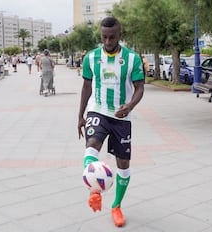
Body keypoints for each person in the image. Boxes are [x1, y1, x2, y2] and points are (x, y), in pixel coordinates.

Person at [77, 16, 145, 228]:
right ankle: (95, 191)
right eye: (104, 37)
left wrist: (130, 106)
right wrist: (80, 115)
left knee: (123, 165)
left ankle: (116, 205)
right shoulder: (91, 58)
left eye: (112, 37)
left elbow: (140, 87)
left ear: (120, 35)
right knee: (91, 148)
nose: (107, 41)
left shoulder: (132, 59)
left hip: (120, 116)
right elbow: (87, 87)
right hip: (97, 110)